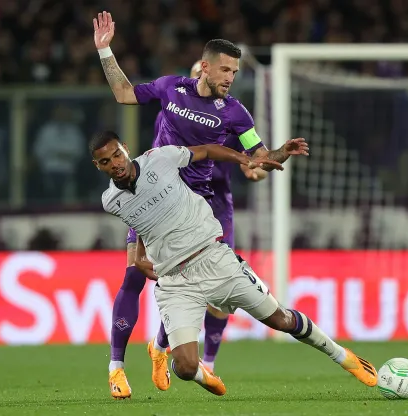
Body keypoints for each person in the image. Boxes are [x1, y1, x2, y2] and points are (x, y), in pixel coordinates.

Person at [93, 11, 306, 398]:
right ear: (203, 68)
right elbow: (124, 94)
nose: (230, 77)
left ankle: (167, 348)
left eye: (234, 72)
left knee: (199, 285)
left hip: (198, 204)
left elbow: (258, 157)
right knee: (133, 273)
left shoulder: (236, 112)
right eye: (225, 70)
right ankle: (116, 368)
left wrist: (282, 152)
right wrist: (106, 51)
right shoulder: (171, 88)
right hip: (150, 195)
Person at [91, 131, 378, 398]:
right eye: (106, 161)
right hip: (175, 282)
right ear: (98, 166)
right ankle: (199, 370)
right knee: (187, 368)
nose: (115, 163)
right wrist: (138, 257)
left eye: (117, 154)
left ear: (125, 149)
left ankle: (342, 356)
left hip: (215, 259)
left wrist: (247, 158)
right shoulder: (110, 200)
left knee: (281, 320)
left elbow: (205, 150)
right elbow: (143, 223)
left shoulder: (159, 158)